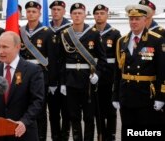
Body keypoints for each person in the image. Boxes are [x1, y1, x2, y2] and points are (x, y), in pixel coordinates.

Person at [0, 31, 45, 141]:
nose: (0, 51)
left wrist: (24, 122)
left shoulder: (33, 70)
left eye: (5, 47)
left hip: (22, 132)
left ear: (17, 47)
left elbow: (37, 101)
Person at [112, 4, 165, 140]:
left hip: (146, 95)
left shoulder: (156, 40)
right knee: (128, 132)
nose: (133, 22)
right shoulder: (121, 41)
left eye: (137, 19)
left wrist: (161, 96)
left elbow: (162, 71)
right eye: (131, 19)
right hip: (127, 95)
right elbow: (118, 71)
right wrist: (115, 95)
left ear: (145, 20)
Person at [60, 3, 107, 141]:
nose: (77, 16)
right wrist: (62, 82)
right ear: (70, 15)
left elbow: (102, 60)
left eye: (80, 13)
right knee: (73, 116)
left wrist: (97, 75)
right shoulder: (65, 34)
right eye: (74, 13)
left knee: (88, 116)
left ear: (85, 15)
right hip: (70, 80)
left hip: (88, 81)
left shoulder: (93, 33)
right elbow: (61, 61)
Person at [19, 1, 55, 141]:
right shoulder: (20, 32)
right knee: (23, 108)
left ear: (39, 14)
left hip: (41, 76)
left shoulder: (47, 33)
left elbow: (52, 59)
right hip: (22, 76)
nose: (31, 14)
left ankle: (41, 138)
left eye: (34, 11)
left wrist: (52, 81)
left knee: (39, 111)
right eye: (28, 11)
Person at [93, 4, 121, 141]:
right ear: (93, 16)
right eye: (97, 13)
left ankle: (111, 136)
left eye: (102, 13)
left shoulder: (115, 33)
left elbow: (118, 59)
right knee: (97, 109)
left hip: (109, 77)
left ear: (107, 15)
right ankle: (100, 135)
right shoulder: (90, 32)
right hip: (95, 76)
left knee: (110, 110)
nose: (99, 15)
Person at [48, 1, 71, 141]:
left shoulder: (70, 29)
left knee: (67, 112)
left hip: (67, 77)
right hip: (51, 76)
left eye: (58, 9)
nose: (56, 12)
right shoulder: (46, 28)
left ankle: (65, 137)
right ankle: (56, 137)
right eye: (54, 9)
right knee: (53, 112)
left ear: (64, 11)